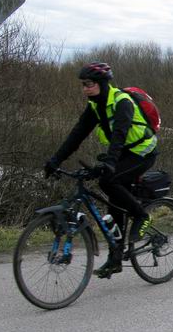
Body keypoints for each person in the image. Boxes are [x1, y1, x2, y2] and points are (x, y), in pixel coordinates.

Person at [44, 62, 159, 278]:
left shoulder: (121, 102)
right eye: (83, 85)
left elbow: (120, 135)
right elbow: (76, 135)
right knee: (114, 203)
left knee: (109, 181)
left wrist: (110, 162)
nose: (85, 89)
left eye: (89, 84)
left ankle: (142, 216)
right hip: (124, 153)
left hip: (143, 151)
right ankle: (115, 259)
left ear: (102, 83)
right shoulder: (95, 106)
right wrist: (55, 160)